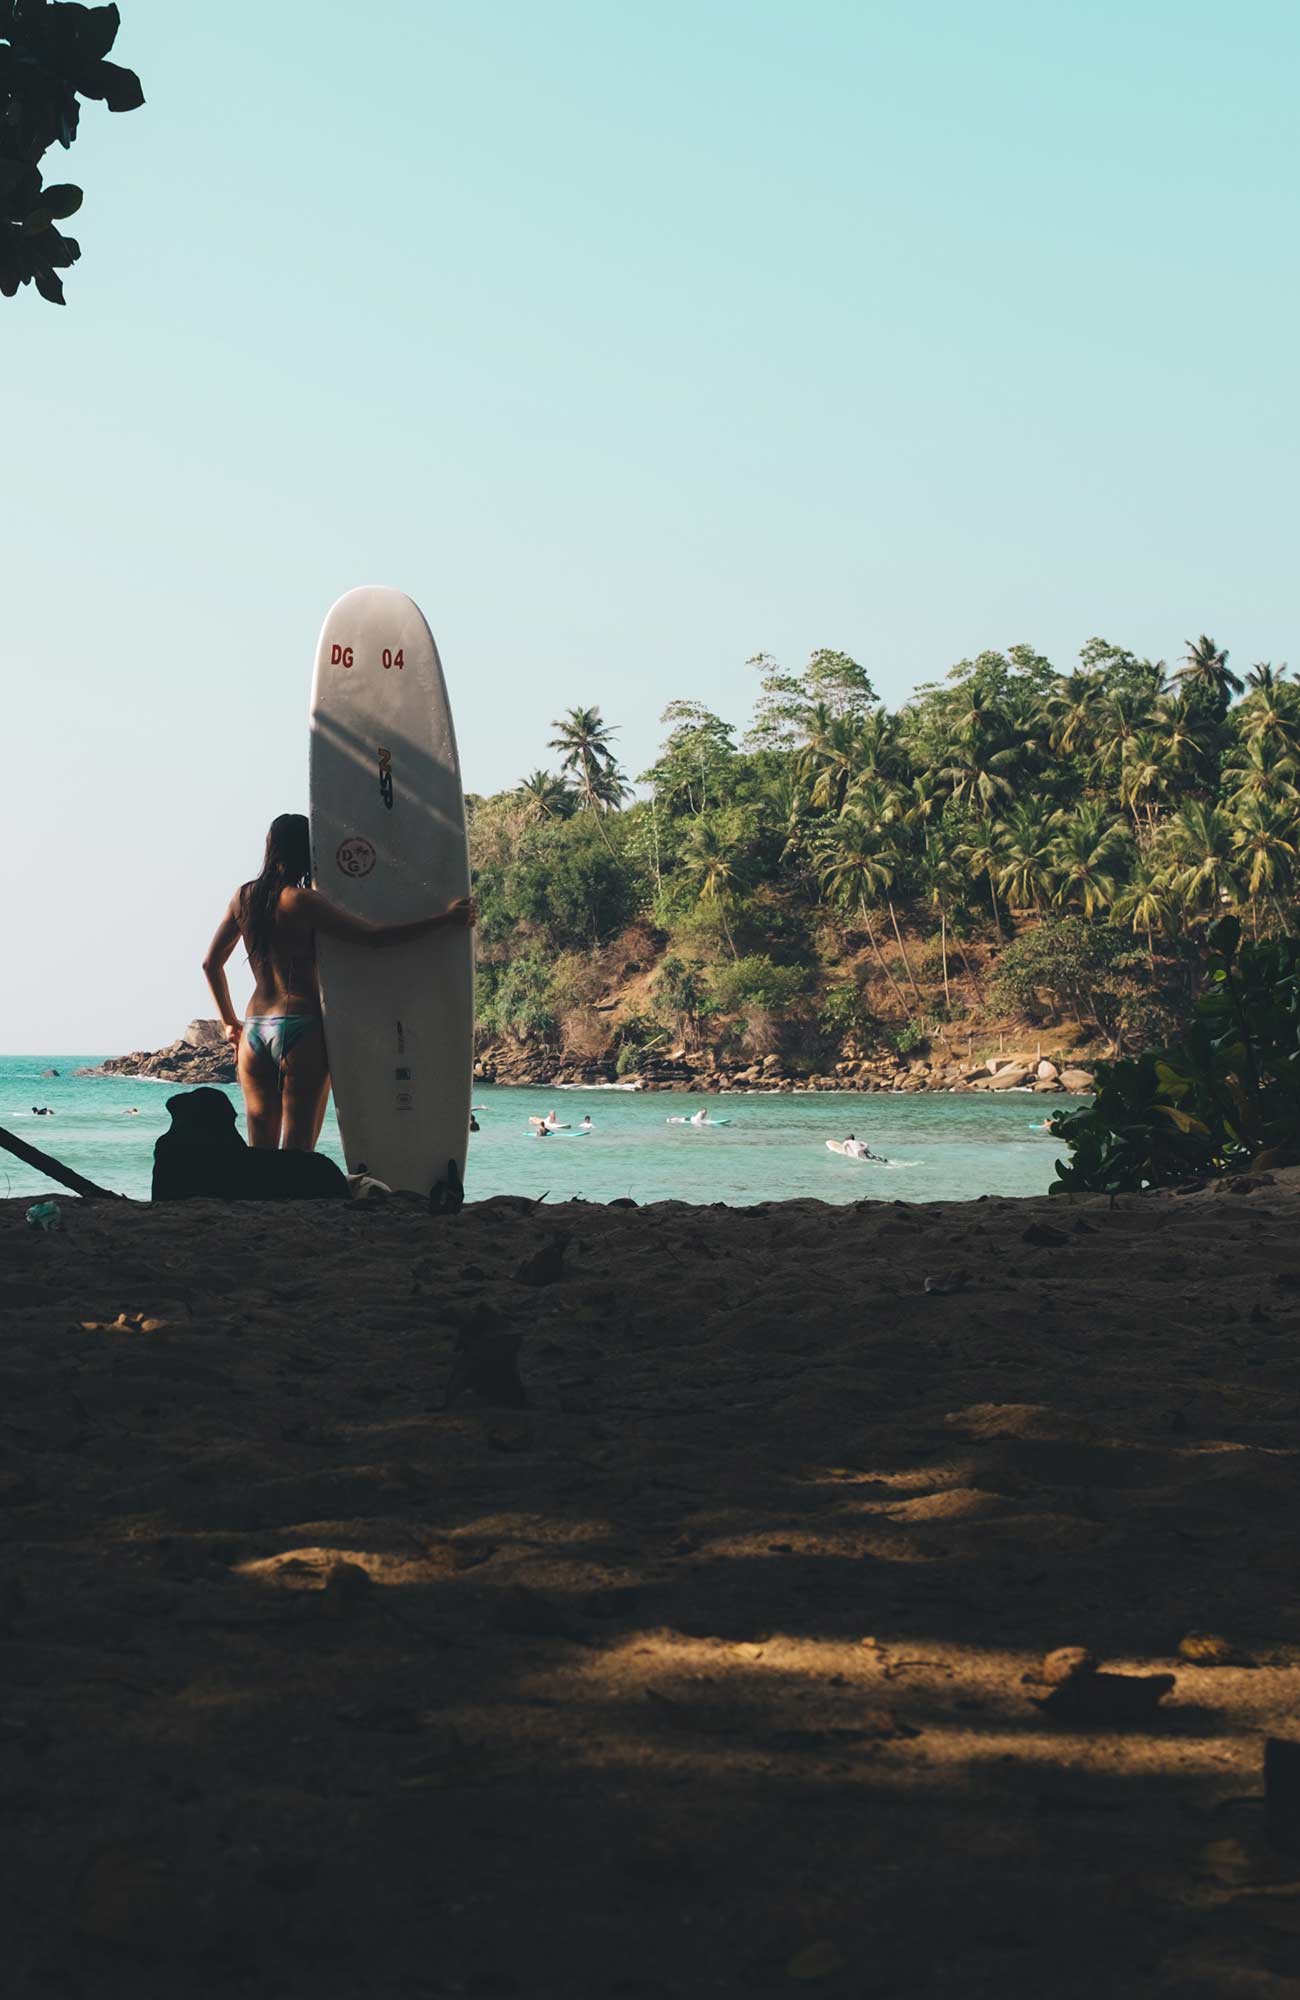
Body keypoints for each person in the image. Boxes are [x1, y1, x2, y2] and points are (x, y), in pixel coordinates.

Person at [203, 813, 475, 1152]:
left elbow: (211, 964)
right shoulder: (302, 901)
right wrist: (445, 919)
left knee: (260, 1152)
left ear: (270, 847)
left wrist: (229, 1022)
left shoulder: (243, 898)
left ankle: (261, 1201)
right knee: (298, 1151)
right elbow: (373, 938)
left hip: (255, 1030)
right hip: (299, 1026)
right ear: (309, 851)